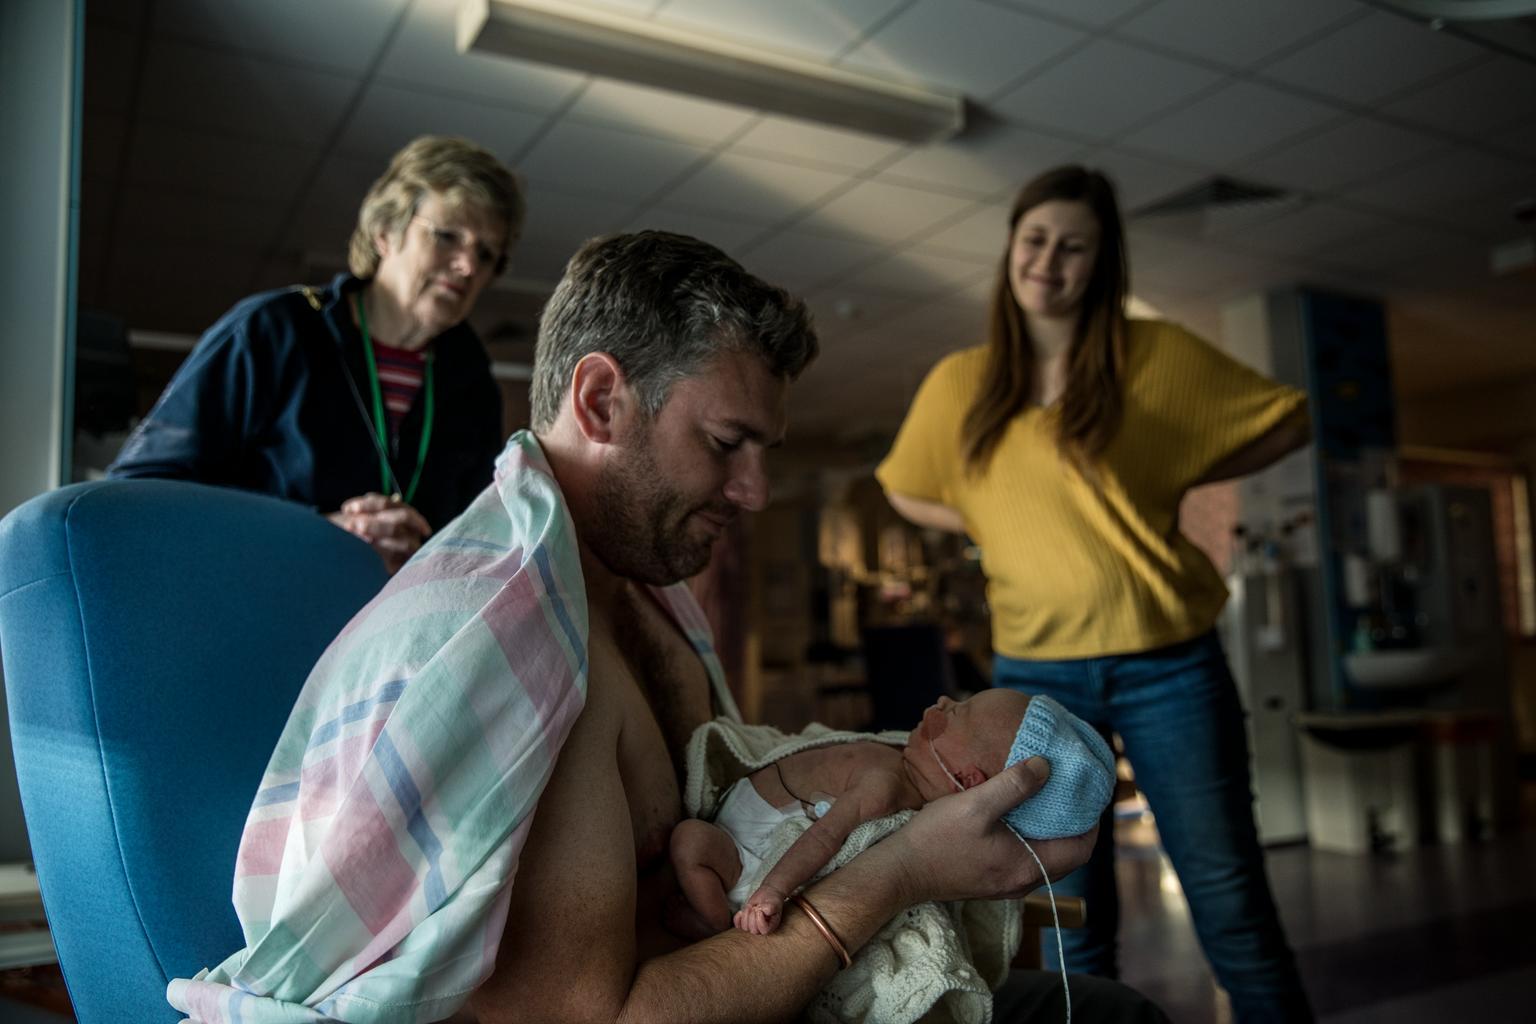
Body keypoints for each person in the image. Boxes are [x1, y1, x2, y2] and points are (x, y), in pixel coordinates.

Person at [167, 231, 1168, 1024]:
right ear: (602, 400)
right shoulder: (515, 655)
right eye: (727, 443)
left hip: (737, 972)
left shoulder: (638, 596)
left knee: (1110, 1010)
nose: (755, 491)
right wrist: (902, 869)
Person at [876, 165, 1313, 1022]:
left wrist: (1178, 467)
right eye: (1035, 240)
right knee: (1071, 918)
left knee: (1231, 904)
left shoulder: (1155, 356)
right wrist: (985, 511)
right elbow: (903, 486)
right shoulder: (964, 382)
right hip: (1036, 676)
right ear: (1012, 249)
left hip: (1168, 663)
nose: (1049, 261)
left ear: (1100, 262)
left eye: (1074, 247)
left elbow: (1288, 419)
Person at [108, 135, 522, 572]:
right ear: (386, 231)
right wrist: (321, 534)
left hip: (398, 631)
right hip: (267, 609)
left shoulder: (471, 383)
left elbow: (481, 536)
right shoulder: (274, 331)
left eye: (486, 253)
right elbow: (140, 494)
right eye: (447, 237)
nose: (468, 266)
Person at [671, 690, 1114, 939]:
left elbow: (825, 838)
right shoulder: (901, 759)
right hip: (745, 820)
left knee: (690, 841)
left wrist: (771, 892)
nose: (942, 701)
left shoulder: (887, 788)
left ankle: (711, 927)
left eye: (958, 712)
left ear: (969, 779)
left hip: (743, 855)